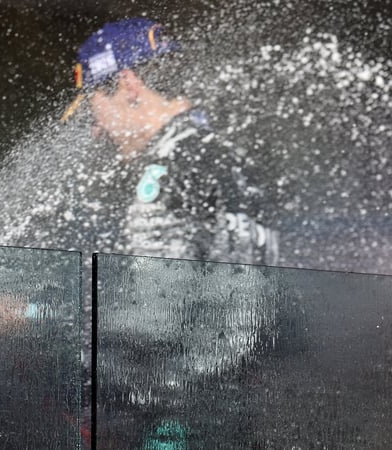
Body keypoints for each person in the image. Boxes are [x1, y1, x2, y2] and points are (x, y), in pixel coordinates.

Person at [61, 18, 281, 449]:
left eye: (93, 108)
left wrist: (36, 320)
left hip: (177, 420)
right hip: (226, 409)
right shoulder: (222, 155)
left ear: (128, 84)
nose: (96, 129)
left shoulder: (168, 173)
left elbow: (155, 324)